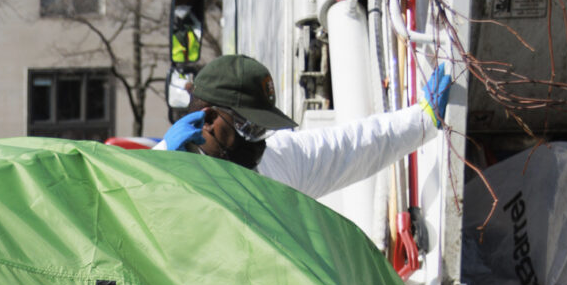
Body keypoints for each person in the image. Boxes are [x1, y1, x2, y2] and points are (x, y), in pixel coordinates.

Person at [160, 53, 454, 200]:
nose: (257, 144)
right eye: (249, 128)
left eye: (263, 130)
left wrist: (421, 121)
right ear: (209, 120)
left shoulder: (277, 162)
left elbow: (351, 146)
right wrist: (164, 165)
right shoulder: (160, 184)